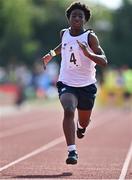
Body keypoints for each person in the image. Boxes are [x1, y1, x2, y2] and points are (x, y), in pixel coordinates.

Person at [42, 1, 108, 165]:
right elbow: (63, 46)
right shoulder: (63, 33)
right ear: (69, 18)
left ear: (85, 20)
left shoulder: (90, 37)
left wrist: (88, 53)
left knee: (84, 120)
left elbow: (104, 61)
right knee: (69, 110)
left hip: (86, 85)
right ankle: (72, 151)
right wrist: (51, 54)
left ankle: (82, 126)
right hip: (67, 82)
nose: (77, 18)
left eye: (80, 16)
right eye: (74, 15)